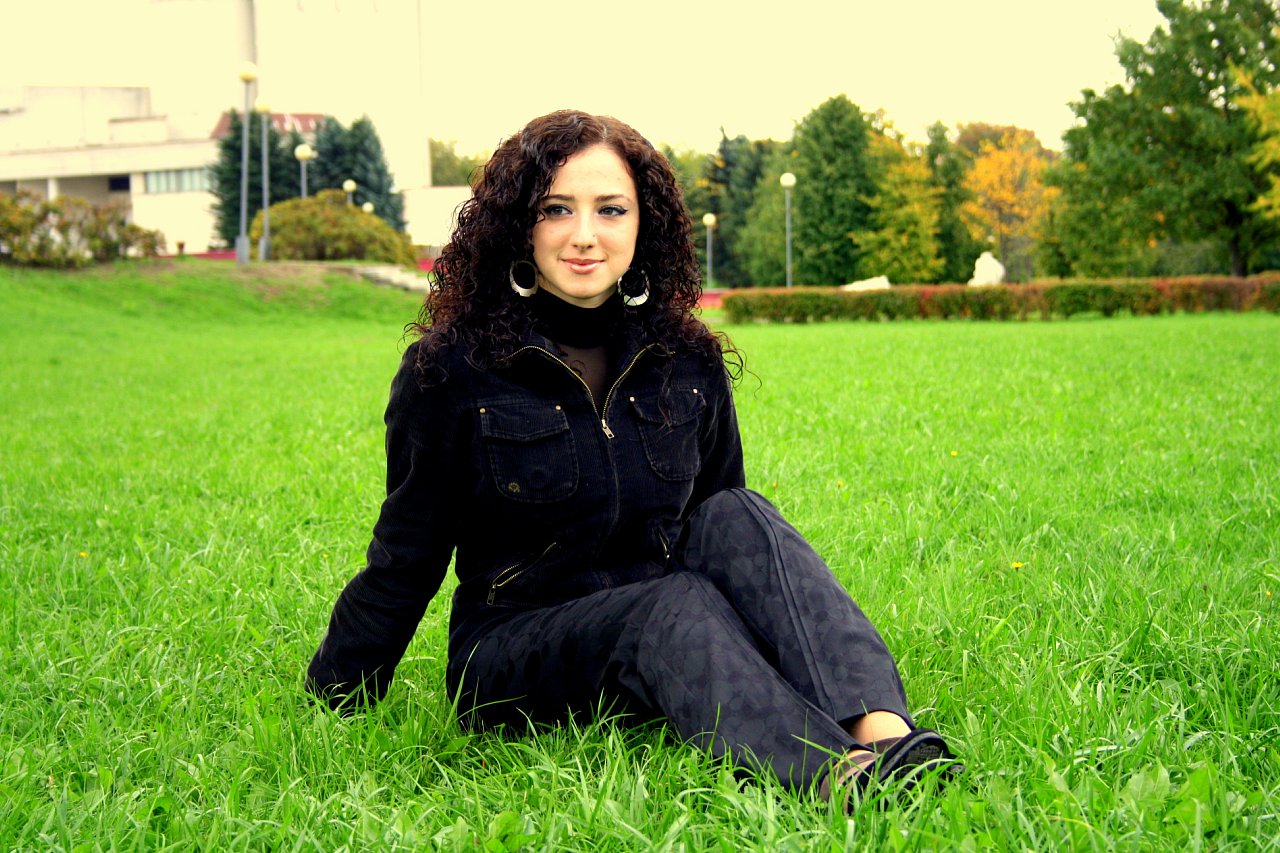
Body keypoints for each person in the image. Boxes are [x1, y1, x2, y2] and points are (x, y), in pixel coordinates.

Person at [306, 109, 959, 806]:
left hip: (665, 638)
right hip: (514, 651)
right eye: (556, 209)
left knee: (738, 512)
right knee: (667, 603)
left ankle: (888, 739)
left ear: (643, 224)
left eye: (610, 209)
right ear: (518, 224)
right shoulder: (451, 370)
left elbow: (722, 536)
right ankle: (835, 776)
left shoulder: (687, 357)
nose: (585, 235)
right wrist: (333, 699)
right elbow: (405, 559)